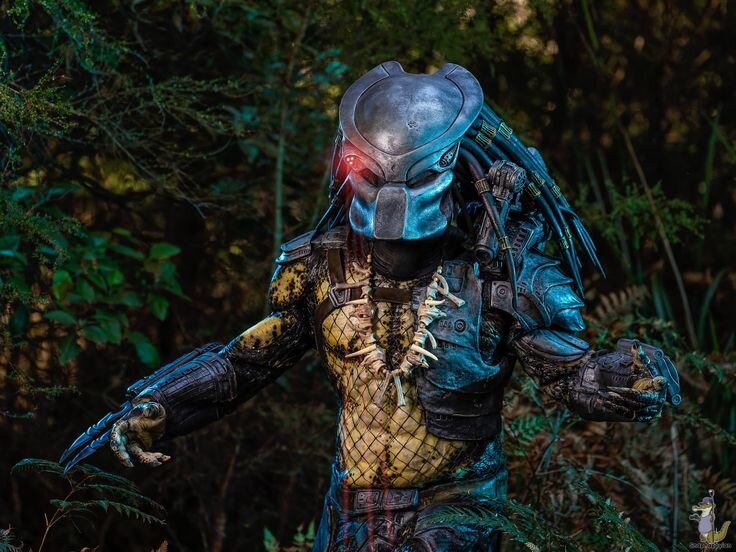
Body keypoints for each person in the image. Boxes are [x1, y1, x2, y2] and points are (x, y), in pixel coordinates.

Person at [61, 61, 680, 551]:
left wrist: (626, 378)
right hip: (350, 510)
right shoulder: (317, 269)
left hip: (456, 507)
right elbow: (244, 363)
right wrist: (160, 406)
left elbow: (571, 374)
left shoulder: (503, 274)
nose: (395, 236)